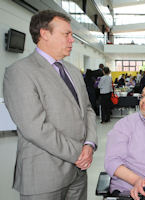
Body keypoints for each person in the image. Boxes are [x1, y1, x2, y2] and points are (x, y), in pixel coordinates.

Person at [3, 10, 98, 200]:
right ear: (45, 34)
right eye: (66, 34)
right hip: (44, 175)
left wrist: (89, 143)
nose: (72, 40)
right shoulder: (20, 72)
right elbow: (35, 127)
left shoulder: (73, 71)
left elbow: (87, 109)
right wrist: (79, 153)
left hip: (78, 173)